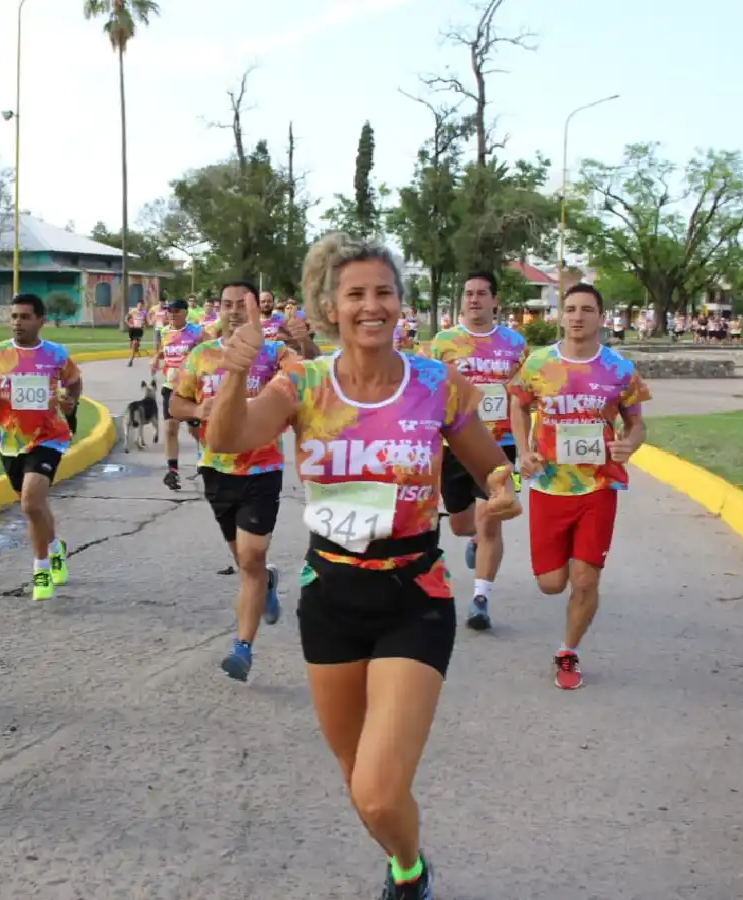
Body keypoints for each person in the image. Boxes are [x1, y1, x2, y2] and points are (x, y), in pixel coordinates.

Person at [206, 234, 521, 900]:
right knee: (359, 785)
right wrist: (236, 372)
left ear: (400, 304)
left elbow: (489, 462)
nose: (371, 306)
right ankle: (408, 865)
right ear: (331, 305)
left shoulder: (436, 383)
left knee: (379, 796)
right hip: (331, 598)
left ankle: (411, 875)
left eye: (383, 292)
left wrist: (500, 490)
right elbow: (227, 438)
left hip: (415, 592)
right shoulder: (305, 384)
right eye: (356, 294)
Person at [509, 283, 650, 690]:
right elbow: (517, 405)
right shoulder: (537, 365)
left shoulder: (620, 369)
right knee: (551, 583)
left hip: (598, 486)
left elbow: (637, 423)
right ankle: (573, 563)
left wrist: (629, 444)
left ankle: (568, 652)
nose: (576, 316)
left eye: (586, 309)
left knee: (586, 580)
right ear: (561, 315)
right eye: (570, 308)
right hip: (549, 487)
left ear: (600, 317)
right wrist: (523, 450)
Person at [169, 280, 292, 682]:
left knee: (252, 558)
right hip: (216, 469)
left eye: (243, 304)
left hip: (262, 468)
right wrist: (200, 409)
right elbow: (175, 402)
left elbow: (306, 376)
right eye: (228, 304)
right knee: (244, 560)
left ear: (256, 309)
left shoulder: (273, 353)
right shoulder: (201, 354)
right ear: (217, 309)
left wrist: (300, 348)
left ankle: (242, 647)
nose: (235, 311)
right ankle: (266, 581)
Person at [420, 270, 528, 630]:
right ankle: (475, 541)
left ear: (494, 300)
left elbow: (526, 394)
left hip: (501, 446)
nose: (474, 299)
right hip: (456, 444)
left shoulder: (515, 344)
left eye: (482, 293)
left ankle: (480, 598)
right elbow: (426, 390)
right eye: (468, 293)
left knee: (490, 520)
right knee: (463, 524)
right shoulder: (442, 343)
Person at [0, 293, 81, 602]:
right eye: (14, 316)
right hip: (11, 442)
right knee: (35, 507)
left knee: (31, 503)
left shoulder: (57, 354)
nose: (18, 322)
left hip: (49, 436)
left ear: (40, 320)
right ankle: (55, 546)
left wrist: (71, 405)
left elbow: (73, 382)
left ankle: (41, 569)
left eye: (25, 316)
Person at [151, 298, 206, 490]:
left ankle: (205, 458)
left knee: (195, 430)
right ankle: (172, 471)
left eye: (175, 311)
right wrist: (155, 359)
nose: (171, 314)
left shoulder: (197, 332)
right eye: (169, 311)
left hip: (191, 389)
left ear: (185, 312)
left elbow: (207, 354)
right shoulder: (164, 331)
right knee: (170, 428)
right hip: (170, 387)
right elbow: (163, 351)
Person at [124, 299, 148, 366]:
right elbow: (126, 318)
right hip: (132, 329)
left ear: (143, 306)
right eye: (139, 305)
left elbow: (146, 322)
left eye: (141, 305)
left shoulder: (144, 312)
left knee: (134, 343)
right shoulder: (133, 311)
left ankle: (131, 361)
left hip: (139, 330)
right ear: (137, 305)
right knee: (131, 345)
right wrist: (129, 324)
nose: (140, 306)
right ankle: (136, 347)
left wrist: (145, 326)